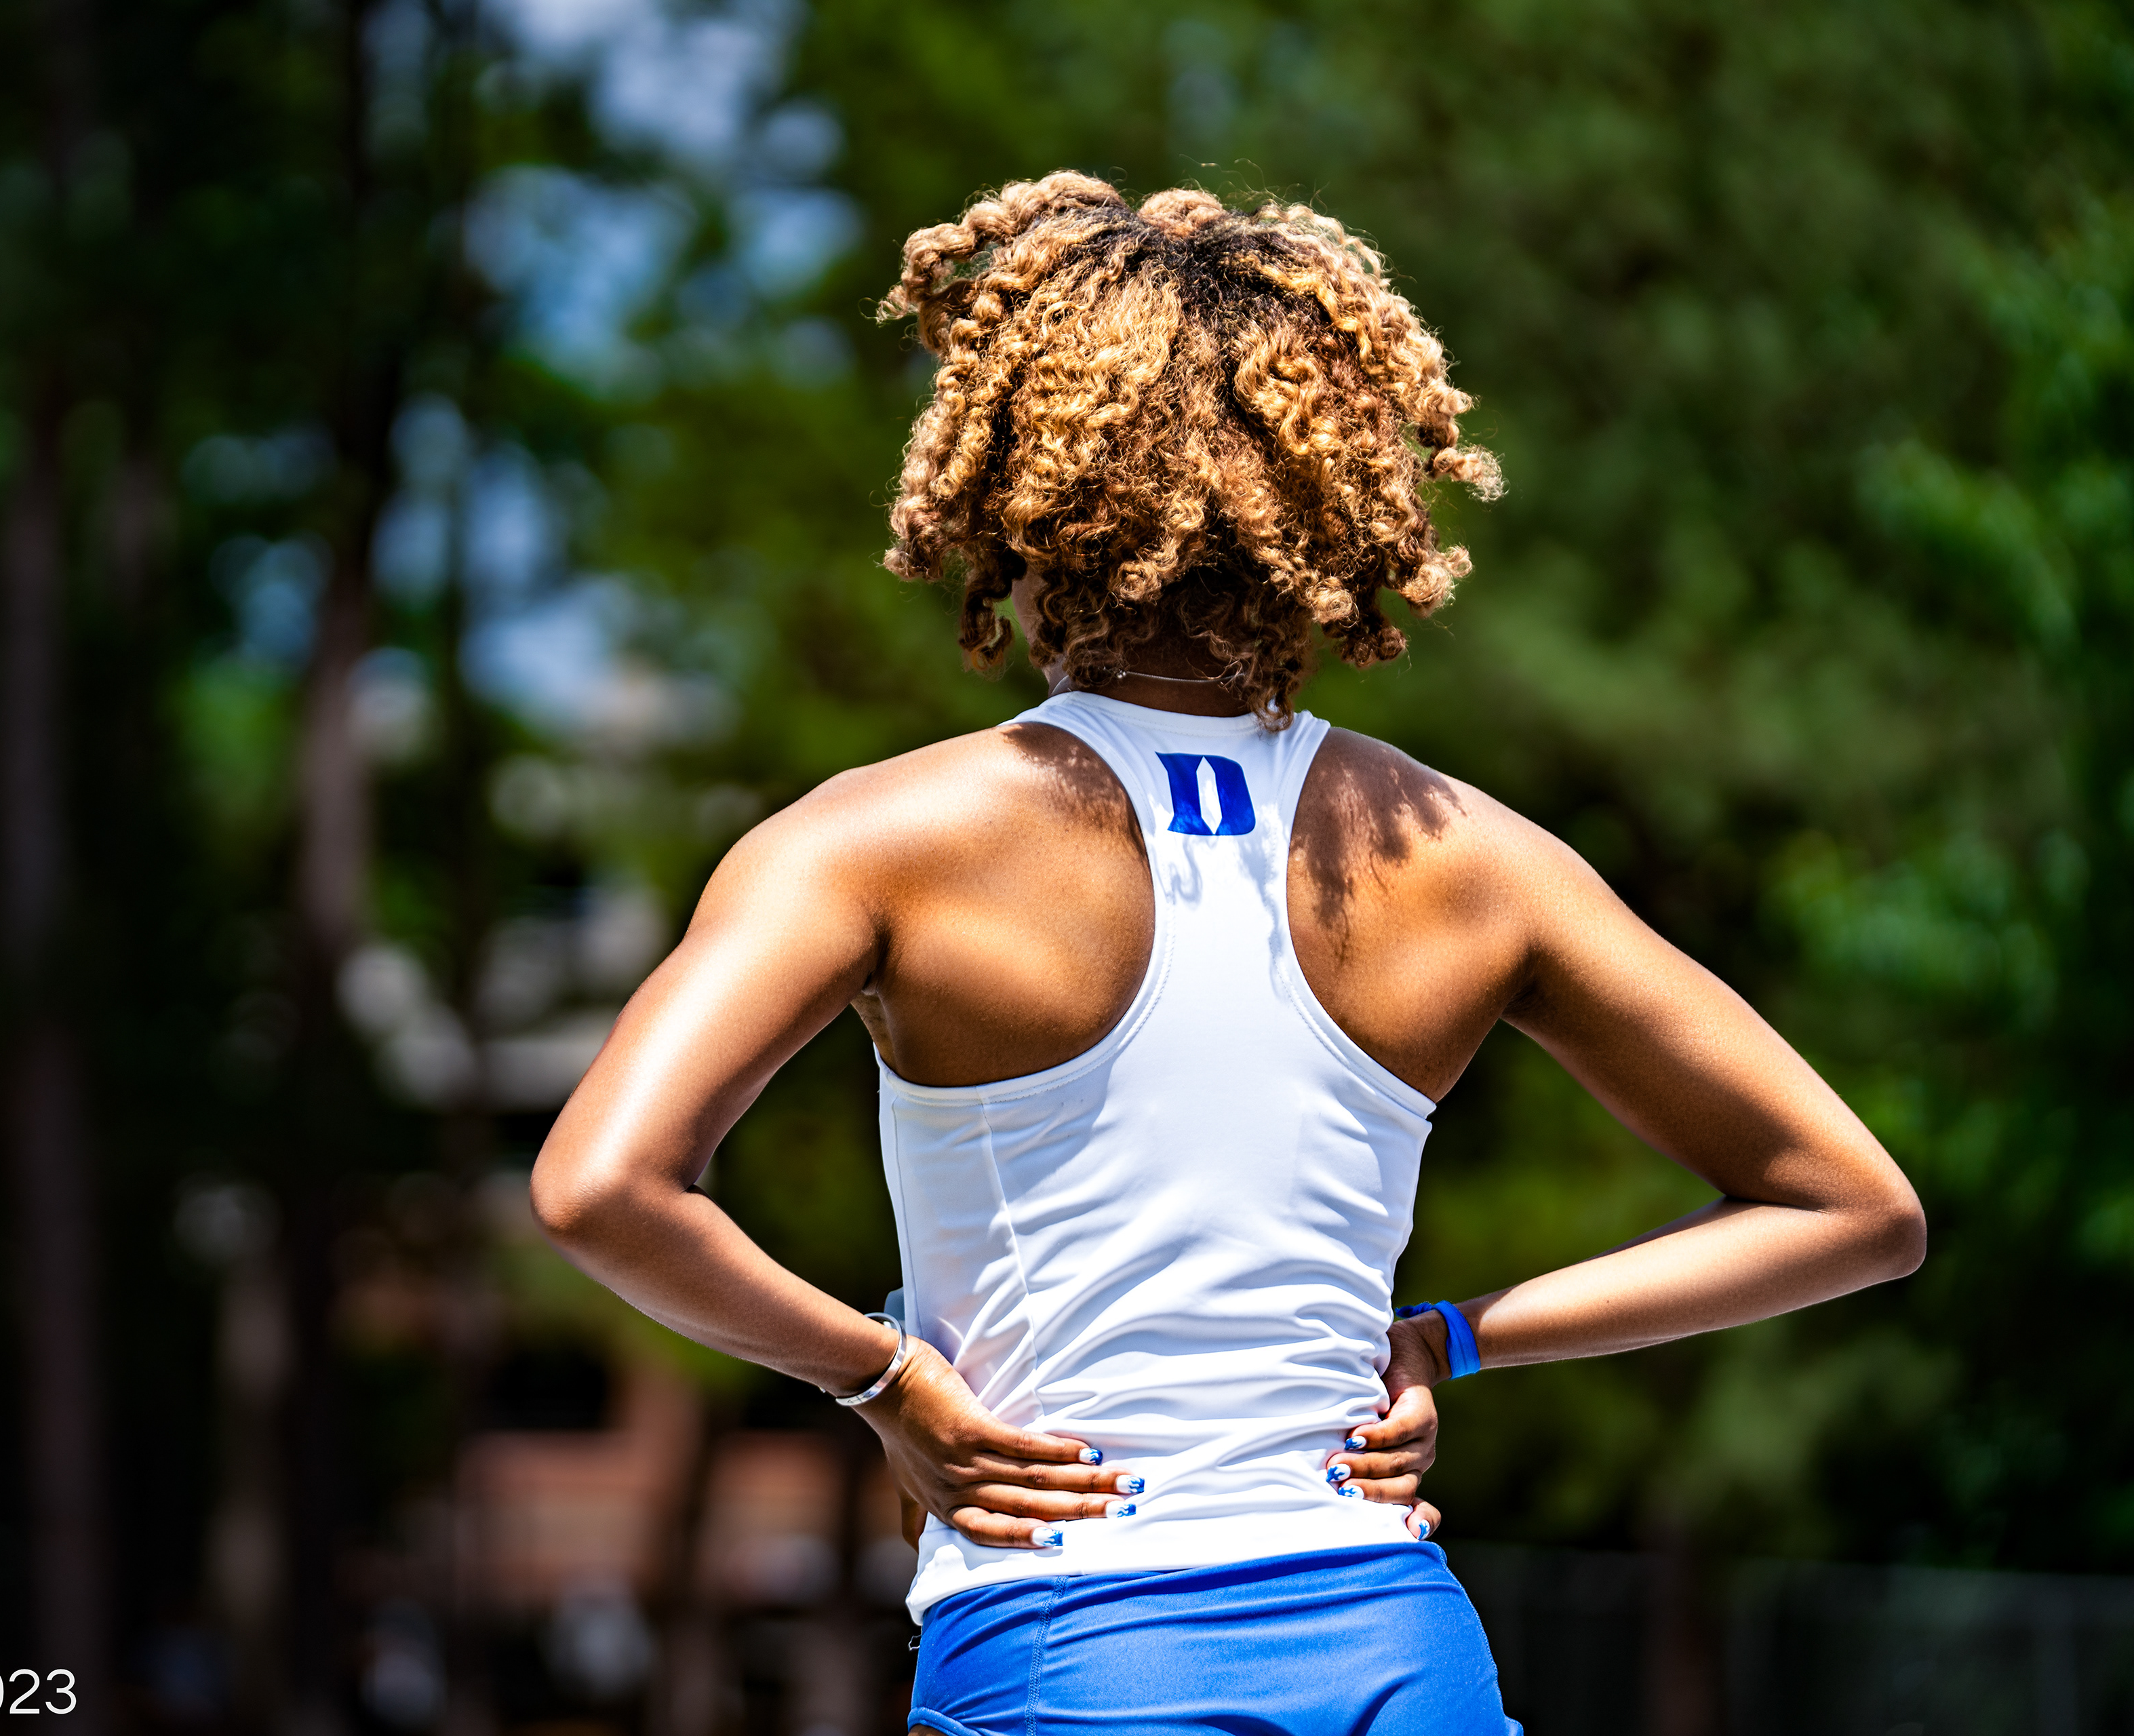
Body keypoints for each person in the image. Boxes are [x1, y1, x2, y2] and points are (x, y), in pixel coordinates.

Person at [530, 173, 1924, 1736]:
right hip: (1399, 1643)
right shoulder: (1468, 855)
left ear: (1018, 480)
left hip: (1073, 1641)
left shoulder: (875, 838)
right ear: (1334, 494)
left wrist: (880, 1379)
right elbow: (1856, 1208)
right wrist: (1450, 1339)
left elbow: (602, 1186)